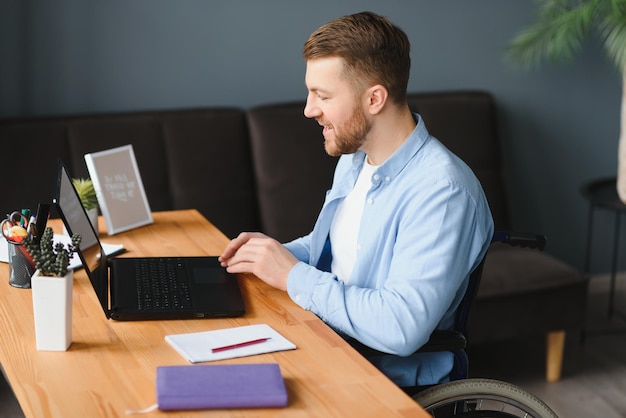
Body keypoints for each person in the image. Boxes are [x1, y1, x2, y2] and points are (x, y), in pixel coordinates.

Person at [219, 11, 494, 387]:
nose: (308, 109)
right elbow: (339, 248)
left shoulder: (443, 193)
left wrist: (293, 275)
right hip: (330, 343)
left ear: (375, 98)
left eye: (323, 95)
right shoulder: (356, 159)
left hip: (380, 380)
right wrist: (269, 255)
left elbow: (400, 327)